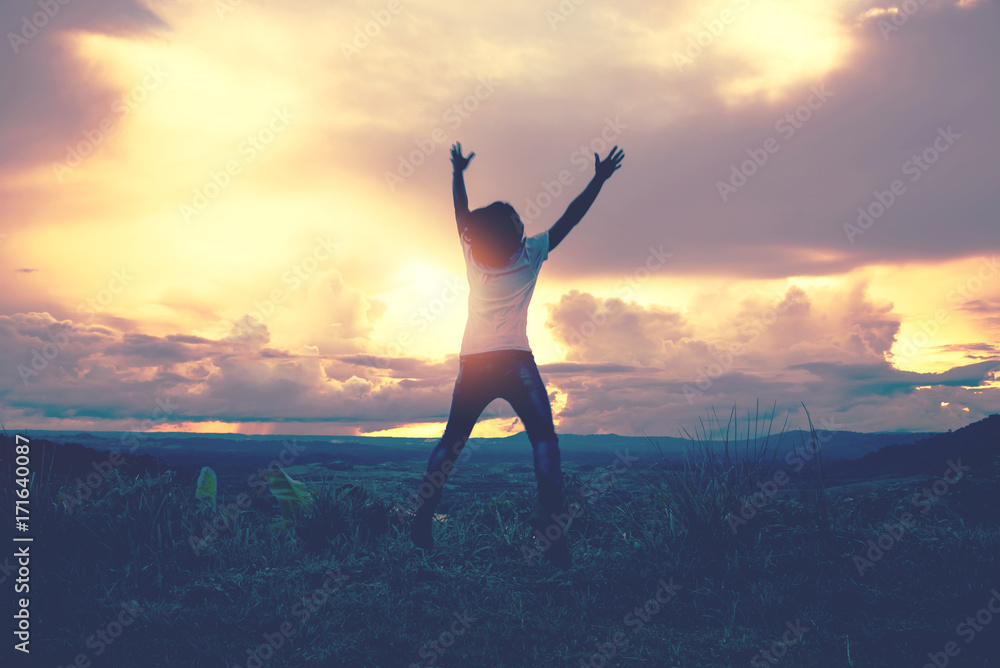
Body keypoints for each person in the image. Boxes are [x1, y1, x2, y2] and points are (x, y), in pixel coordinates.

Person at [410, 140, 625, 569]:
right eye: (516, 219)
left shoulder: (473, 255)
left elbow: (460, 213)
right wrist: (598, 179)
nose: (522, 221)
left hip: (473, 363)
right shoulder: (530, 255)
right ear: (514, 233)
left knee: (452, 442)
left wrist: (457, 172)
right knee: (543, 441)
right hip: (515, 363)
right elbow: (571, 218)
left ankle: (420, 521)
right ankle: (553, 539)